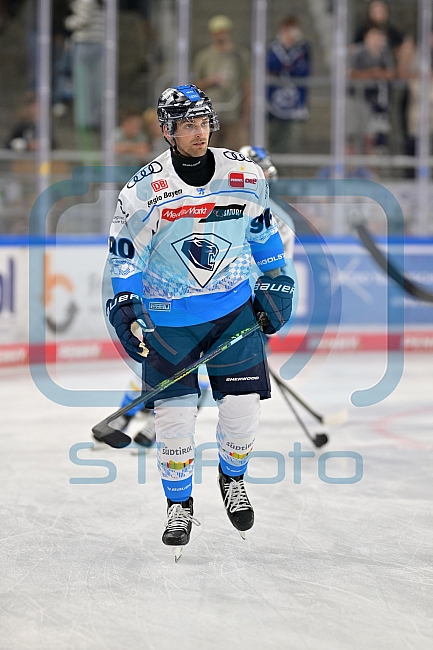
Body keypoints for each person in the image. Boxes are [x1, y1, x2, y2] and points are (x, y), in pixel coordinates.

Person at [104, 85, 294, 559]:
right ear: (167, 130)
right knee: (173, 423)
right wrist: (126, 305)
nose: (199, 131)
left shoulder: (244, 176)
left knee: (243, 413)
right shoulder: (143, 190)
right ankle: (179, 505)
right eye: (187, 124)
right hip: (169, 321)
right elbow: (124, 259)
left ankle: (232, 479)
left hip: (232, 313)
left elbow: (263, 234)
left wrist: (278, 280)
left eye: (204, 121)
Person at [192, 14, 250, 152]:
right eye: (217, 33)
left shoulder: (239, 56)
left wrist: (246, 111)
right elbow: (195, 86)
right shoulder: (204, 57)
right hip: (210, 115)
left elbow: (246, 83)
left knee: (239, 152)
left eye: (223, 32)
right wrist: (211, 80)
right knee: (208, 152)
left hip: (233, 113)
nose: (220, 36)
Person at [266, 15, 311, 154]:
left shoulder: (303, 48)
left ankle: (287, 173)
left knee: (290, 144)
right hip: (274, 103)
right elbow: (271, 66)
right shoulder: (274, 47)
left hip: (295, 104)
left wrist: (284, 68)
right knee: (273, 142)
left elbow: (303, 70)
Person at [348, 26, 395, 154]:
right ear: (367, 37)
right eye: (374, 36)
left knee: (372, 139)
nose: (377, 40)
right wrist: (370, 74)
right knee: (354, 137)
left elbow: (390, 73)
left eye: (379, 37)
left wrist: (379, 74)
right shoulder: (358, 52)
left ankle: (370, 171)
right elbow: (350, 73)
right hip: (358, 99)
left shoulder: (384, 53)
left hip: (378, 103)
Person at [65, 0, 105, 136]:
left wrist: (68, 22)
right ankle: (95, 120)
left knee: (83, 86)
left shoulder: (85, 1)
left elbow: (82, 20)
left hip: (84, 45)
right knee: (96, 85)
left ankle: (84, 122)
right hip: (99, 44)